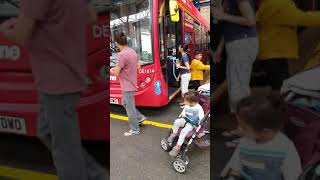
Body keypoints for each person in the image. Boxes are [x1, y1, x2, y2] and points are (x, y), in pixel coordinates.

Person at [0, 1, 108, 180]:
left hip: (56, 81)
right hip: (69, 75)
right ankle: (97, 175)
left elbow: (21, 35)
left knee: (65, 152)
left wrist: (6, 27)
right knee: (46, 130)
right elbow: (90, 16)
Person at [212, 0, 258, 147]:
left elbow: (251, 20)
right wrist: (220, 48)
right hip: (235, 44)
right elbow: (228, 27)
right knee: (235, 89)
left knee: (239, 91)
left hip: (242, 44)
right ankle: (242, 129)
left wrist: (222, 15)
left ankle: (250, 135)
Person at [226, 94, 302, 180]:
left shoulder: (285, 147)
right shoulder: (245, 141)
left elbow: (293, 175)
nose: (239, 128)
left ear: (266, 132)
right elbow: (236, 167)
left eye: (244, 127)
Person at [251, 0, 320, 91]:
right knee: (282, 87)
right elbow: (302, 18)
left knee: (276, 82)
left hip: (269, 52)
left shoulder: (268, 3)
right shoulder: (280, 3)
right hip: (276, 53)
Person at [110, 32, 146, 136]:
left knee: (129, 108)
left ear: (116, 43)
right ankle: (140, 117)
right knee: (125, 103)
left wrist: (112, 70)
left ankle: (135, 130)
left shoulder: (122, 55)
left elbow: (116, 72)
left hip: (127, 85)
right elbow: (138, 66)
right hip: (131, 83)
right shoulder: (132, 51)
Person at [167, 90, 204, 156]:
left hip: (192, 123)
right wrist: (182, 117)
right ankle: (173, 135)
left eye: (186, 101)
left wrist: (199, 126)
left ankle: (177, 147)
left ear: (192, 102)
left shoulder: (199, 108)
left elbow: (202, 118)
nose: (184, 102)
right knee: (177, 121)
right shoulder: (187, 105)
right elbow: (184, 113)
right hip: (185, 119)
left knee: (183, 132)